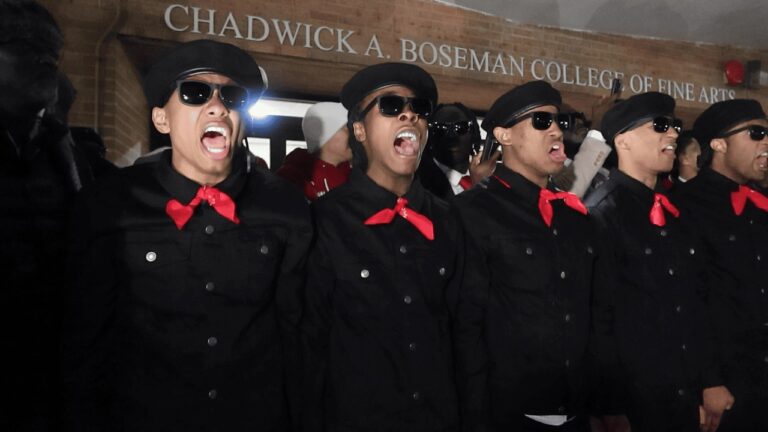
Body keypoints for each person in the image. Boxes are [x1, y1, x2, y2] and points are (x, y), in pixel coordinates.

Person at [61, 39, 313, 431]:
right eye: (195, 93)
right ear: (161, 119)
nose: (218, 106)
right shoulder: (111, 205)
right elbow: (85, 338)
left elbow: (297, 331)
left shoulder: (284, 207)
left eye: (231, 96)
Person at [301, 62, 462, 432]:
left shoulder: (449, 221)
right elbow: (308, 345)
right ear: (359, 130)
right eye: (390, 105)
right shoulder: (324, 222)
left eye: (418, 107)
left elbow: (465, 332)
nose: (409, 114)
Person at [584, 92, 732, 432]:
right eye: (660, 126)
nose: (673, 133)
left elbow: (694, 303)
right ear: (623, 141)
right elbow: (599, 322)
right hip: (636, 404)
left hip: (684, 395)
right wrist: (610, 407)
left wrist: (709, 379)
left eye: (675, 125)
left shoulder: (675, 211)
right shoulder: (601, 214)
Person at [453, 80, 596, 431]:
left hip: (579, 411)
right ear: (504, 136)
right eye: (541, 121)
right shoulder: (471, 212)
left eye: (559, 121)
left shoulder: (575, 216)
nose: (556, 131)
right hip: (506, 416)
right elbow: (464, 327)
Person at [0, 1, 94, 429]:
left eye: (51, 52)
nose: (44, 61)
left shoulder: (69, 157)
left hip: (54, 379)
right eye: (24, 46)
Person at [673, 99, 768, 432]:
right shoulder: (683, 204)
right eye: (756, 133)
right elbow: (686, 300)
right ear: (718, 144)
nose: (766, 143)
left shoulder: (762, 203)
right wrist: (708, 380)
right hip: (725, 381)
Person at [416, 103, 498, 200]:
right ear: (430, 137)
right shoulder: (420, 183)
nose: (451, 136)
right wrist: (479, 187)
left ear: (473, 134)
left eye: (460, 128)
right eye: (440, 129)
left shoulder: (495, 177)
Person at [277, 102, 352, 200]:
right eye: (346, 128)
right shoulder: (292, 179)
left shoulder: (354, 178)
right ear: (322, 133)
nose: (355, 135)